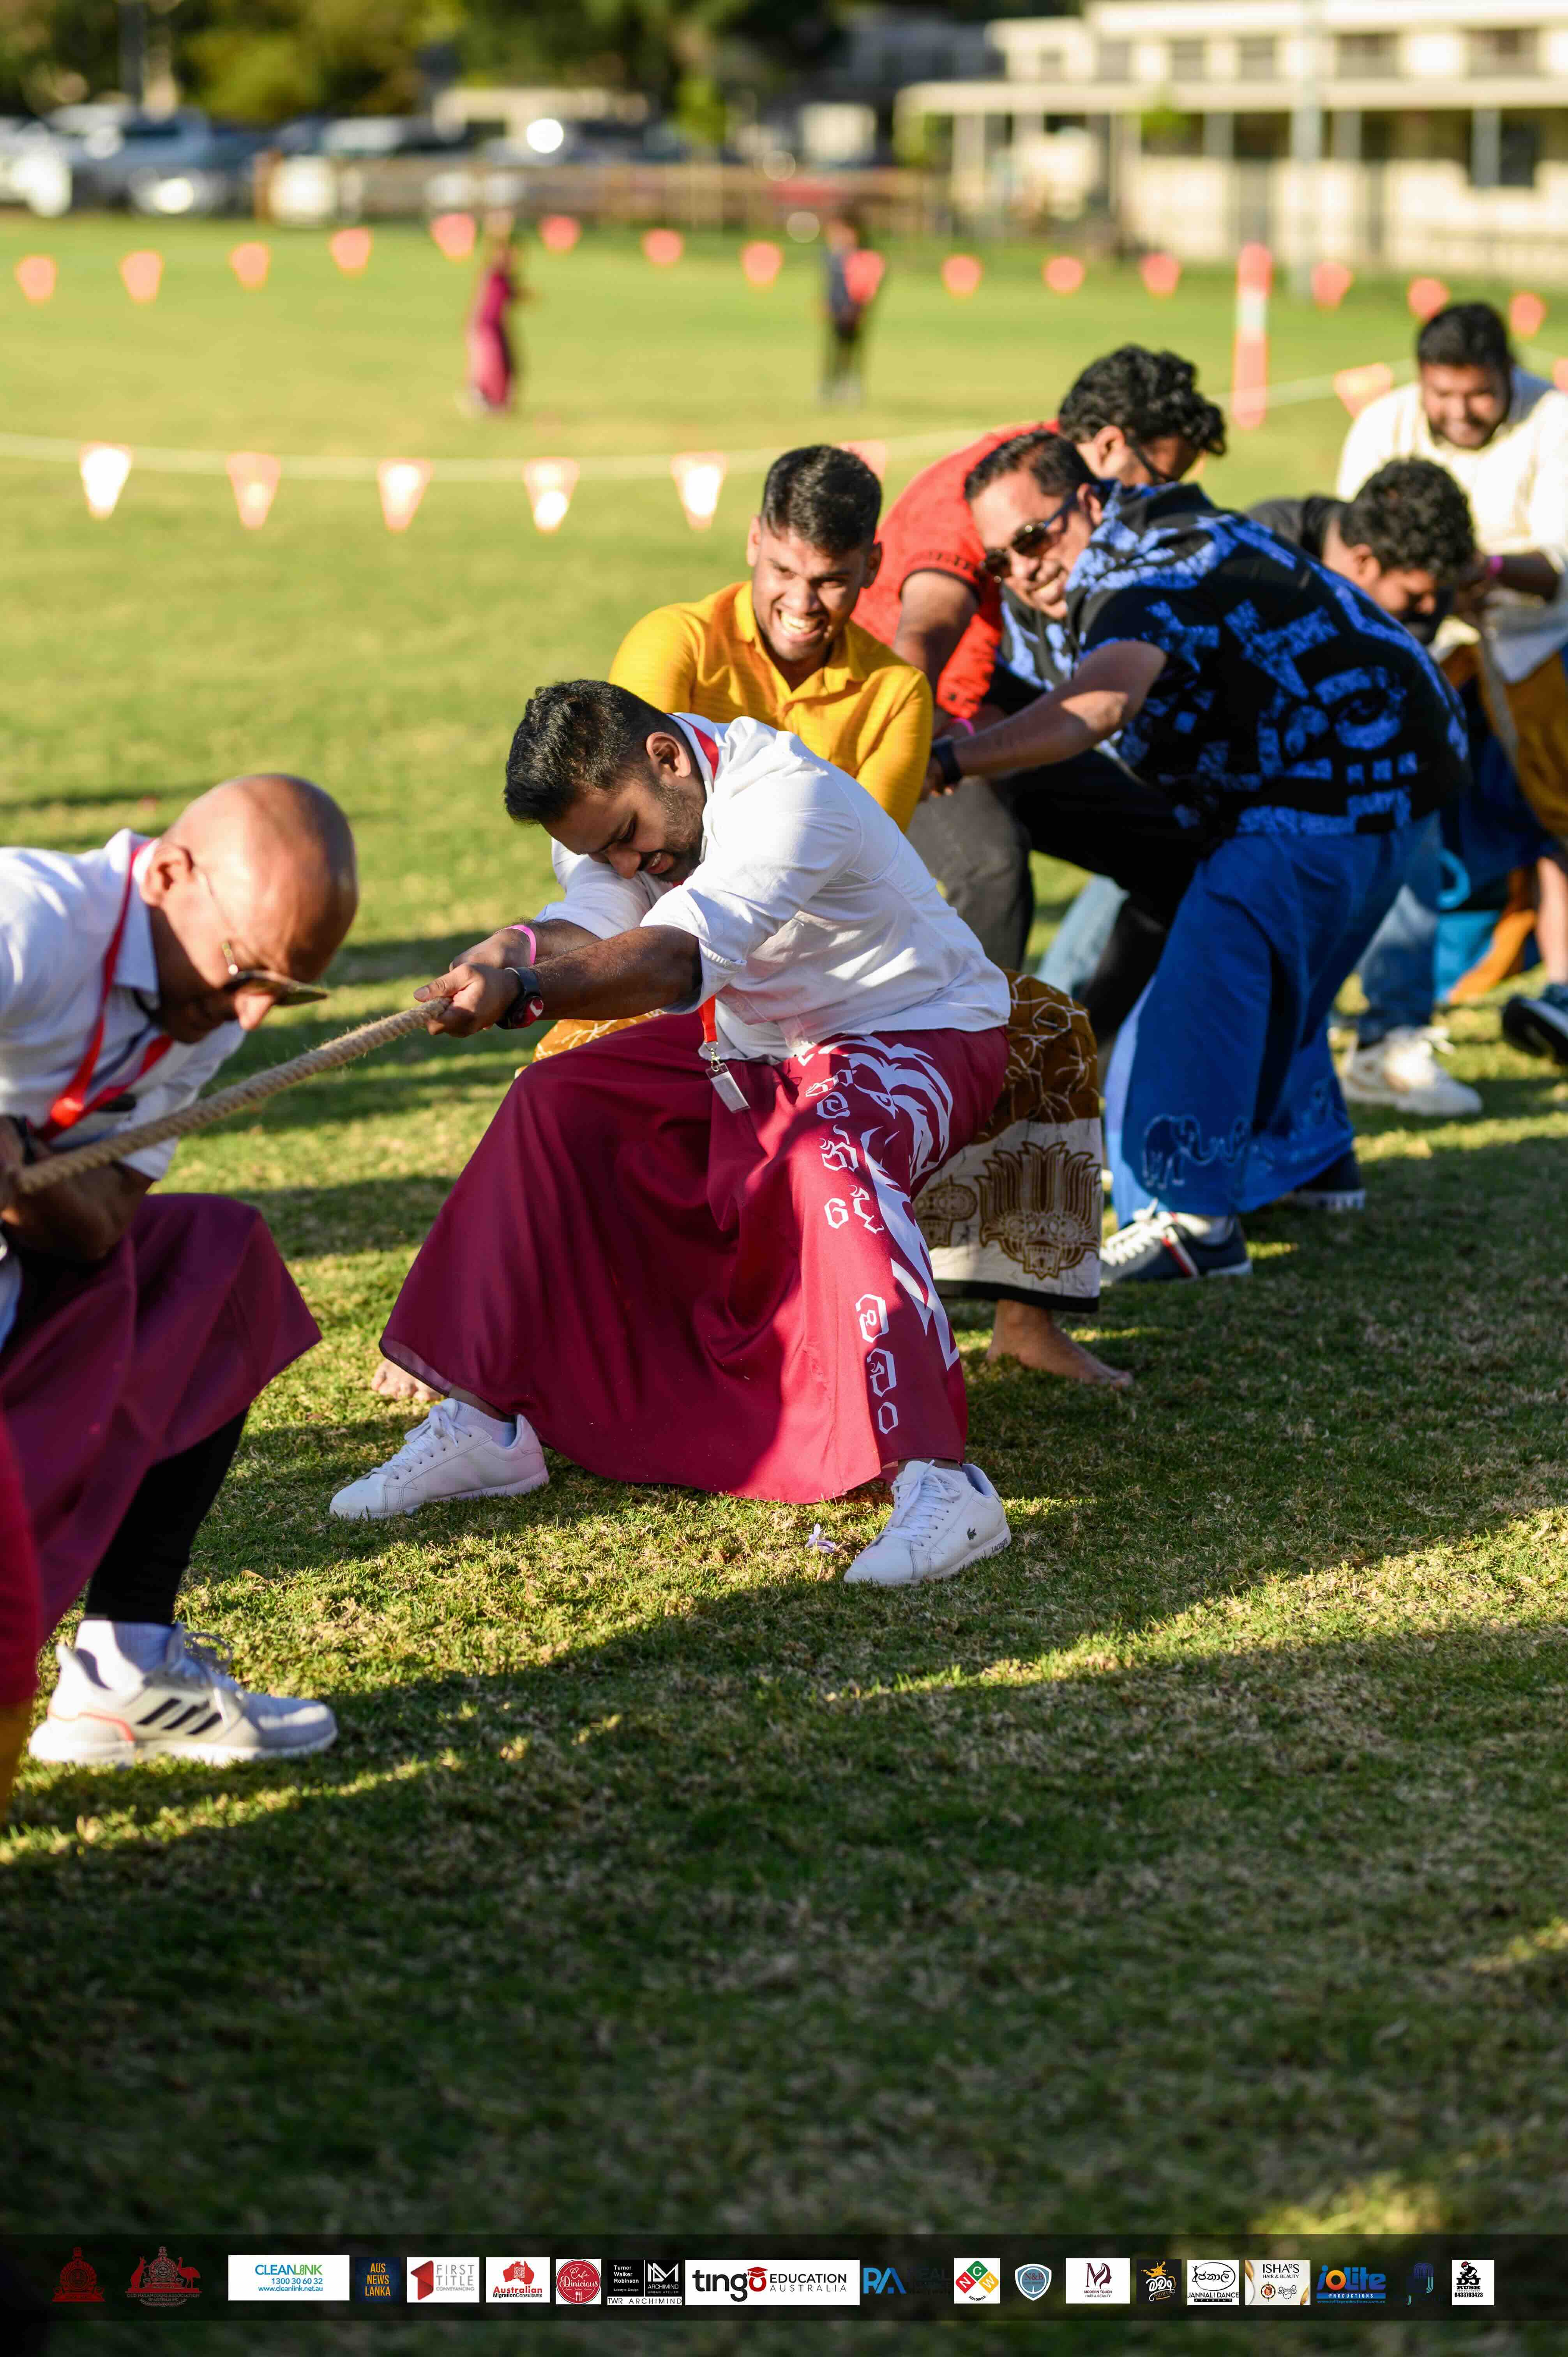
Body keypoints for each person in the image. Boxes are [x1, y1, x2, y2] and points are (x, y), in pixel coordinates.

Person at [334, 684, 1014, 1589]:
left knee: (827, 1150)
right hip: (754, 1041)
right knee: (555, 1101)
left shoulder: (781, 796)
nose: (627, 857)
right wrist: (511, 952)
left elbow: (670, 959)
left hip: (916, 1027)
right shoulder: (614, 809)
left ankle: (941, 1479)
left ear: (665, 757)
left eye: (625, 835)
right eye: (599, 849)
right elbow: (597, 922)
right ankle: (488, 1419)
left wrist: (529, 993)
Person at [591, 443, 1114, 1387]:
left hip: (829, 981)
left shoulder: (894, 694)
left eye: (830, 581)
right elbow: (621, 851)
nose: (801, 602)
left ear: (872, 569)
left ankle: (1025, 1321)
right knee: (566, 1066)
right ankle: (501, 1333)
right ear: (751, 543)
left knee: (1045, 1028)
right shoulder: (671, 644)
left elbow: (851, 872)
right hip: (673, 952)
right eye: (783, 571)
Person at [924, 438, 1471, 1284]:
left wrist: (955, 760)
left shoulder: (1137, 574)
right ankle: (1308, 1157)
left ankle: (1188, 1221)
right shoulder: (1154, 522)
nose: (1021, 571)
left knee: (1198, 992)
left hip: (1325, 793)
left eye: (1032, 540)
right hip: (1388, 775)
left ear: (1085, 504)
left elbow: (1102, 701)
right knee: (1269, 976)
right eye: (1000, 558)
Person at [1, 776, 357, 1766]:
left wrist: (19, 1169)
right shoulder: (29, 919)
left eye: (280, 992)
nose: (247, 1015)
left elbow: (102, 1222)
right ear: (166, 874)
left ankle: (127, 1666)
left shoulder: (200, 1003)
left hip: (25, 1263)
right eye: (245, 969)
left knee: (214, 1263)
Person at [857, 346, 1229, 967]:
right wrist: (904, 768)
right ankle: (960, 1059)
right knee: (991, 867)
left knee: (1173, 849)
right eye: (1159, 481)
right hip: (895, 711)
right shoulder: (996, 492)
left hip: (979, 702)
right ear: (1109, 447)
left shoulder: (1053, 478)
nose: (1157, 503)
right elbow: (923, 633)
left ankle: (1087, 1056)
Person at [1338, 299, 1568, 1062]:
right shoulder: (1384, 423)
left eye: (1476, 394)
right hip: (1408, 648)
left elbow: (1557, 568)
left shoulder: (1552, 420)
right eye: (1442, 394)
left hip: (1533, 649)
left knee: (1553, 818)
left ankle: (1554, 985)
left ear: (1507, 376)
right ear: (1421, 380)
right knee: (1395, 815)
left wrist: (1479, 570)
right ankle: (1387, 996)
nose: (1458, 412)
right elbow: (1353, 551)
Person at [1250, 459, 1485, 1123]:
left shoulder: (1411, 584)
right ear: (1359, 560)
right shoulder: (1263, 548)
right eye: (1412, 600)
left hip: (1360, 753)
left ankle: (1388, 1039)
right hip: (1241, 766)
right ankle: (1068, 1025)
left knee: (1416, 797)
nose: (1423, 614)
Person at [464, 215, 526, 414]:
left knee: (508, 365)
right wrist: (499, 231)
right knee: (491, 367)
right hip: (485, 327)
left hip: (496, 326)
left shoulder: (505, 277)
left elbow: (513, 295)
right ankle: (484, 401)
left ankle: (501, 403)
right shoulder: (494, 273)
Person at [820, 214, 876, 406]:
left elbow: (867, 286)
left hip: (854, 311)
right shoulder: (833, 257)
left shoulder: (863, 257)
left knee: (852, 349)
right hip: (837, 311)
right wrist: (826, 303)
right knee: (834, 349)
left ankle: (851, 386)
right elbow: (830, 285)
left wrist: (858, 308)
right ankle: (830, 386)